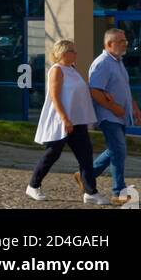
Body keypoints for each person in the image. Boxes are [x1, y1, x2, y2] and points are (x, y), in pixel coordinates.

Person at [26, 39, 108, 204]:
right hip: (61, 121)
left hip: (77, 121)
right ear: (63, 53)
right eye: (73, 51)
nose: (76, 54)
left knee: (85, 156)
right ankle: (33, 186)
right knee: (52, 154)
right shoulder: (57, 70)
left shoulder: (72, 69)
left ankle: (90, 192)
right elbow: (55, 97)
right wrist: (65, 119)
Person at [88, 28, 141, 204]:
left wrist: (135, 109)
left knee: (115, 150)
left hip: (120, 115)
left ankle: (86, 176)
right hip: (108, 116)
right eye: (121, 41)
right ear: (109, 44)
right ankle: (118, 192)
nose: (125, 43)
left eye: (125, 41)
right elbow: (94, 91)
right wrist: (113, 107)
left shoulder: (118, 62)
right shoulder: (102, 63)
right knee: (119, 151)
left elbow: (125, 90)